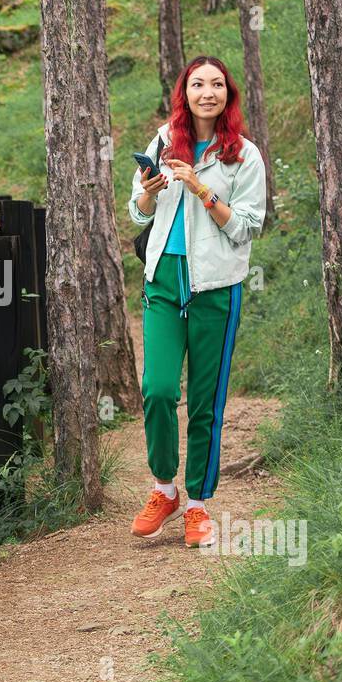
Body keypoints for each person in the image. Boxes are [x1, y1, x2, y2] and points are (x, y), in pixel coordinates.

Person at [126, 56, 267, 547]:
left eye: (217, 85)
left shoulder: (243, 155)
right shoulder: (164, 141)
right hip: (164, 281)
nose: (207, 92)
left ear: (229, 94)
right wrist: (148, 193)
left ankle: (198, 505)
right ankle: (163, 487)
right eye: (197, 84)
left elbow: (248, 226)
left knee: (205, 402)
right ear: (184, 92)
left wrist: (200, 188)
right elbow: (138, 211)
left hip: (216, 290)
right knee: (159, 388)